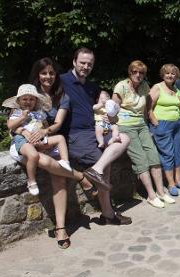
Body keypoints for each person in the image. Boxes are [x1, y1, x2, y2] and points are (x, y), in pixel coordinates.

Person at [26, 57, 98, 249]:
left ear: (55, 75)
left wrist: (44, 131)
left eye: (51, 73)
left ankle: (60, 227)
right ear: (37, 75)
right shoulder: (29, 94)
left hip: (51, 139)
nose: (47, 77)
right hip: (29, 142)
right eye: (43, 73)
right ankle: (80, 176)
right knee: (41, 160)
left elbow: (58, 123)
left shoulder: (62, 96)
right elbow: (16, 116)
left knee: (58, 179)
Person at [61, 47, 132, 226]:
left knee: (124, 138)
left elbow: (106, 112)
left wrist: (111, 115)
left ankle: (96, 172)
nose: (86, 66)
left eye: (89, 64)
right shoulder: (62, 81)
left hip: (95, 130)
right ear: (74, 62)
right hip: (75, 134)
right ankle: (108, 213)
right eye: (82, 63)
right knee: (102, 162)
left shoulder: (92, 87)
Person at [111, 60, 174, 208]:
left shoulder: (145, 86)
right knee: (141, 160)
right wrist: (114, 128)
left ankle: (161, 192)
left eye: (141, 73)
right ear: (130, 72)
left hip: (141, 125)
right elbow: (111, 109)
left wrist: (149, 123)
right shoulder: (121, 86)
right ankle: (151, 196)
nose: (138, 75)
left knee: (154, 157)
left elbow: (147, 108)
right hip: (125, 126)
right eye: (135, 72)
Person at [4, 84, 73, 196]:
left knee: (60, 138)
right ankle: (31, 180)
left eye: (31, 99)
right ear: (19, 101)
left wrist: (44, 134)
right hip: (23, 139)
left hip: (39, 138)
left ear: (36, 101)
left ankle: (65, 163)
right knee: (33, 155)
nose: (28, 102)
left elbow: (45, 127)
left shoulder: (39, 113)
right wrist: (22, 117)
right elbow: (11, 125)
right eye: (25, 99)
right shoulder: (17, 112)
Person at [148, 64, 180, 196]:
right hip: (162, 125)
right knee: (167, 154)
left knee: (178, 152)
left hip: (176, 124)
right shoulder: (157, 87)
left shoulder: (176, 90)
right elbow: (148, 107)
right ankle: (170, 183)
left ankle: (178, 180)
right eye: (167, 73)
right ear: (163, 75)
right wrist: (154, 121)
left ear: (176, 76)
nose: (170, 76)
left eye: (173, 73)